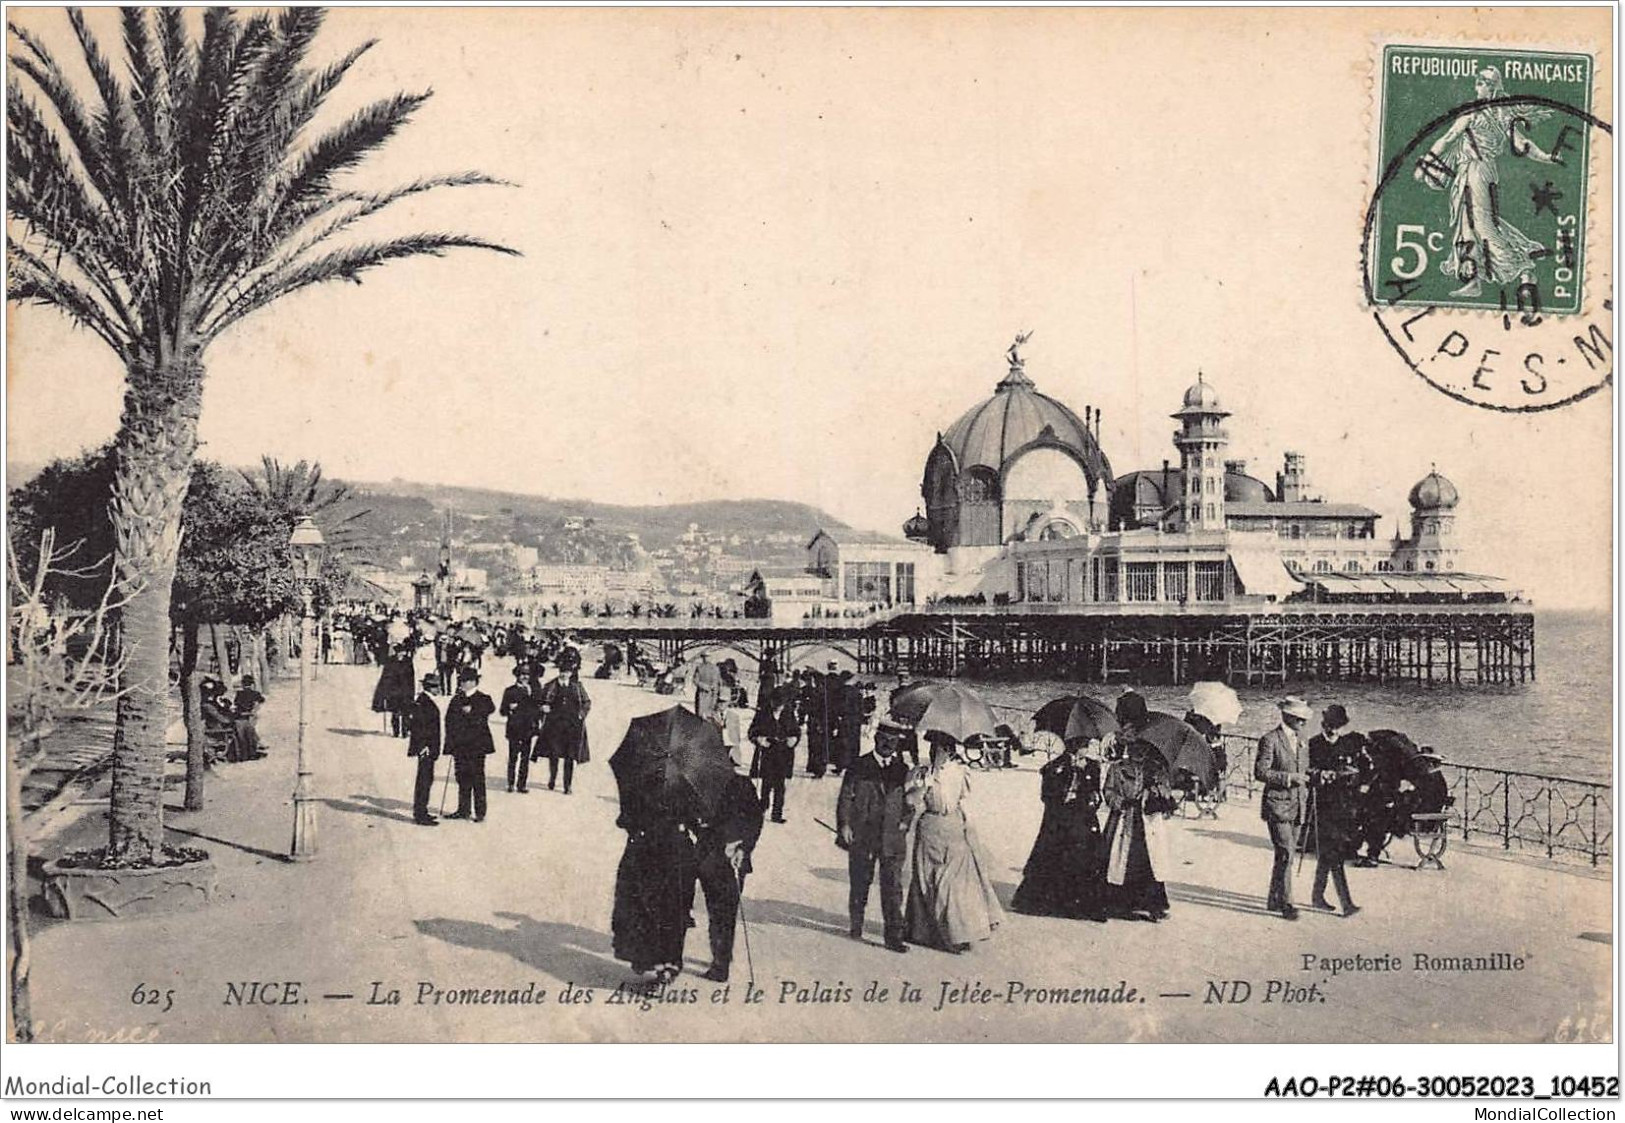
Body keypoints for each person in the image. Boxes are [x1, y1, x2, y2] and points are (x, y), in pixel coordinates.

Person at [1415, 66, 1562, 298]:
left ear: (1493, 88)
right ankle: (1473, 281)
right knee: (1467, 226)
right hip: (1480, 172)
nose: (1477, 85)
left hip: (1476, 171)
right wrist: (1547, 157)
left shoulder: (1475, 114)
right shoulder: (1500, 116)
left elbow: (1449, 138)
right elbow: (1521, 146)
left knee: (1482, 226)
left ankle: (1524, 270)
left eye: (1482, 81)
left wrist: (1426, 162)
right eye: (1477, 81)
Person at [904, 734, 1004, 952]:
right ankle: (925, 931)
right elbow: (911, 800)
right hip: (930, 828)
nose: (940, 752)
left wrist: (969, 826)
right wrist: (926, 783)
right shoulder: (920, 773)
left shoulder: (961, 771)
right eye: (937, 748)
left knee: (953, 883)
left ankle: (957, 933)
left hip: (955, 828)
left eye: (945, 748)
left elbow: (965, 800)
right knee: (927, 881)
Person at [837, 723, 916, 952]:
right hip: (863, 834)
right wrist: (844, 825)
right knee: (860, 882)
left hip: (892, 836)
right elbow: (846, 797)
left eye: (893, 742)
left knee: (893, 887)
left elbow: (910, 800)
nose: (888, 746)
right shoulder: (859, 765)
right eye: (884, 740)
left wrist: (906, 820)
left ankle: (894, 937)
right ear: (875, 739)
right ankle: (856, 924)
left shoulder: (903, 770)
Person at [1013, 736, 1107, 921]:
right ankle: (1053, 901)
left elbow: (1096, 792)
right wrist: (1065, 792)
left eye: (1087, 745)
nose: (1086, 749)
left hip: (1084, 817)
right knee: (1056, 855)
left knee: (1086, 856)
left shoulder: (1092, 766)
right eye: (1083, 746)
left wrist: (1091, 798)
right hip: (1061, 818)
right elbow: (1048, 794)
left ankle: (1084, 902)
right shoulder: (1056, 765)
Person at [612, 783, 697, 984]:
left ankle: (651, 959)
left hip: (646, 850)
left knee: (646, 906)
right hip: (676, 849)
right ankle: (670, 962)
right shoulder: (689, 782)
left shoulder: (639, 780)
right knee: (674, 906)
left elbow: (625, 819)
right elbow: (700, 818)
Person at [690, 774, 764, 982]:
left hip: (734, 859)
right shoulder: (697, 783)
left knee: (726, 910)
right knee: (715, 910)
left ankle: (721, 963)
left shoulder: (741, 785)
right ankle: (720, 955)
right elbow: (688, 815)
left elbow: (755, 820)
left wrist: (743, 848)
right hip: (707, 857)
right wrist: (698, 824)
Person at [1101, 738, 1174, 921]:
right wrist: (1120, 802)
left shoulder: (1156, 770)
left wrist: (1156, 789)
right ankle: (1121, 903)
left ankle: (1152, 903)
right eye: (1134, 748)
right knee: (1121, 860)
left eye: (1142, 749)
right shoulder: (1118, 769)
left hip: (1148, 822)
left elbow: (1167, 792)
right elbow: (1108, 791)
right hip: (1124, 820)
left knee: (1150, 860)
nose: (1138, 753)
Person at [1307, 704, 1367, 918]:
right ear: (1324, 725)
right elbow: (1306, 771)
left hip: (1344, 805)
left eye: (1337, 726)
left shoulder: (1347, 744)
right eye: (1330, 726)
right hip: (1322, 805)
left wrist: (1355, 776)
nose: (1333, 730)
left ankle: (1317, 896)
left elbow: (1361, 772)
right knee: (1335, 854)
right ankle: (1346, 903)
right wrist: (1321, 774)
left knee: (1328, 854)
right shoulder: (1313, 744)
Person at [1257, 696, 1313, 920]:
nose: (1303, 723)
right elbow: (1261, 772)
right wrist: (1289, 778)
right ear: (1288, 717)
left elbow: (1306, 768)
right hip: (1277, 805)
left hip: (1298, 804)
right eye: (1300, 720)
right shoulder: (1270, 739)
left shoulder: (1303, 739)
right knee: (1286, 852)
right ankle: (1287, 903)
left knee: (1285, 855)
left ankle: (1274, 898)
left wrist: (1313, 777)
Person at [535, 648, 591, 794]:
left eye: (567, 672)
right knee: (553, 754)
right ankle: (552, 778)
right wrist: (543, 707)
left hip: (572, 726)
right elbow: (540, 702)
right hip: (554, 725)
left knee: (569, 756)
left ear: (571, 673)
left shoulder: (577, 687)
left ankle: (568, 785)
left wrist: (581, 714)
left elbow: (587, 702)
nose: (564, 674)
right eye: (562, 671)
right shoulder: (550, 686)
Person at [444, 667, 496, 822]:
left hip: (476, 746)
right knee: (462, 777)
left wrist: (472, 711)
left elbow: (489, 710)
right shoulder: (456, 699)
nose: (462, 683)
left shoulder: (484, 698)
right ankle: (463, 810)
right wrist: (450, 744)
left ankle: (480, 812)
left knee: (477, 778)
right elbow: (449, 721)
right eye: (461, 680)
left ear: (473, 682)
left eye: (465, 680)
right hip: (460, 746)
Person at [750, 687, 800, 823]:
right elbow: (752, 731)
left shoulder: (789, 713)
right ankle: (763, 806)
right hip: (768, 751)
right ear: (771, 701)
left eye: (781, 705)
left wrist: (794, 739)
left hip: (784, 753)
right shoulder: (763, 713)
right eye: (775, 704)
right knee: (766, 783)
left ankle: (777, 813)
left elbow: (796, 731)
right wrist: (758, 738)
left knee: (780, 785)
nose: (778, 707)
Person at [407, 674, 442, 826]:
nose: (439, 688)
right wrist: (423, 746)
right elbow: (418, 726)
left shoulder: (424, 700)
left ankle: (422, 810)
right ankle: (420, 814)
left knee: (427, 779)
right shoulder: (423, 703)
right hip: (426, 749)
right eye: (437, 686)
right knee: (424, 780)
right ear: (431, 687)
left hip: (428, 748)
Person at [499, 666, 539, 793]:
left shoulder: (533, 690)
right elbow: (502, 711)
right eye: (522, 674)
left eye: (527, 674)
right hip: (514, 729)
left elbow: (537, 708)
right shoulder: (510, 691)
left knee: (525, 759)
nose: (525, 677)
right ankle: (511, 783)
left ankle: (521, 784)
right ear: (517, 676)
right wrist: (510, 708)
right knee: (513, 757)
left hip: (528, 729)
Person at [231, 675, 267, 760]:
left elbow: (236, 704)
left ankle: (243, 754)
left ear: (243, 684)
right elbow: (262, 700)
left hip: (240, 716)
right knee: (250, 734)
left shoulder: (239, 693)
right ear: (252, 684)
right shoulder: (255, 693)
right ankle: (253, 752)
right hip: (250, 715)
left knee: (242, 736)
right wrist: (255, 707)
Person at [692, 652, 722, 722]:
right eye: (704, 657)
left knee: (711, 715)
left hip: (712, 695)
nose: (706, 658)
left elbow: (718, 681)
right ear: (702, 658)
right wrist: (705, 686)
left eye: (707, 657)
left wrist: (716, 692)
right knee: (700, 715)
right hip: (702, 694)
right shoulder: (700, 668)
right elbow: (695, 680)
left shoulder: (715, 669)